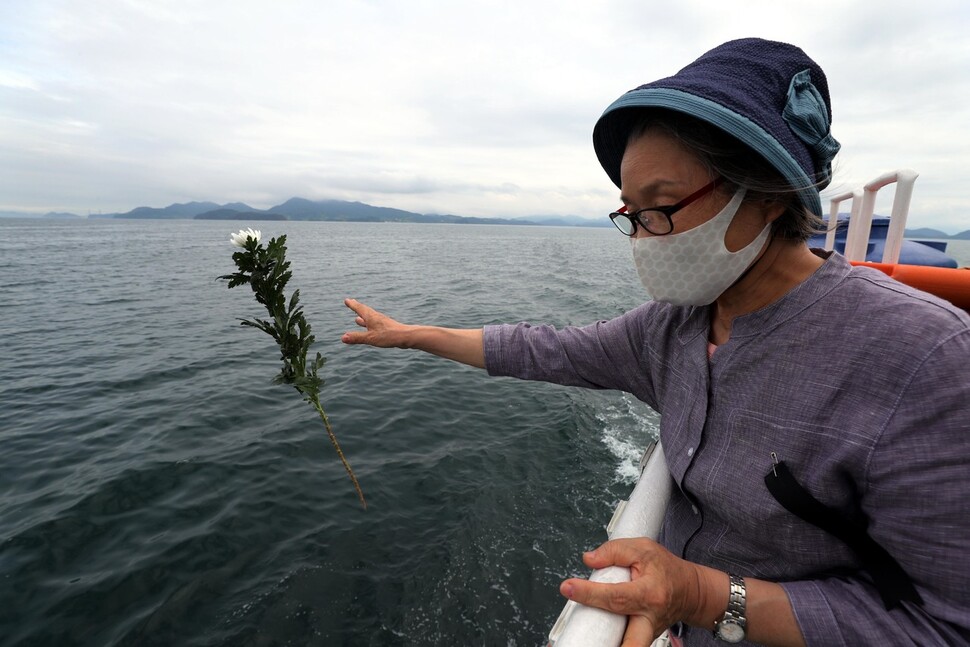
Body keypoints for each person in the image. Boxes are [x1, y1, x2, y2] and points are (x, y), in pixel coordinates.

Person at [342, 38, 970, 646]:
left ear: (768, 193)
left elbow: (945, 624)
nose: (643, 236)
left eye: (661, 207)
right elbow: (547, 349)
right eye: (630, 213)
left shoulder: (923, 356)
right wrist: (412, 336)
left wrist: (700, 595)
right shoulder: (673, 327)